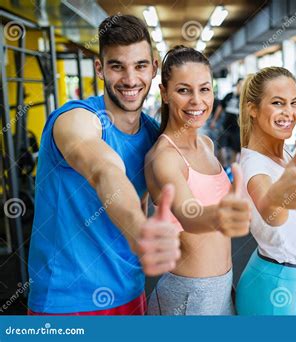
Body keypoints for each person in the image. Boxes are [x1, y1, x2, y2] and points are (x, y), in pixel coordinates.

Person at [27, 15, 181, 315]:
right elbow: (104, 170)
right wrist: (139, 231)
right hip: (66, 302)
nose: (130, 79)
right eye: (116, 66)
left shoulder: (152, 134)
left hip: (131, 293)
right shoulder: (75, 120)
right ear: (100, 69)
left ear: (154, 66)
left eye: (139, 66)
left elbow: (148, 200)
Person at [145, 46, 251, 316]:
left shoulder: (206, 144)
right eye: (183, 90)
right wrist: (221, 214)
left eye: (204, 89)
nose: (197, 100)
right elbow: (189, 215)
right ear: (165, 93)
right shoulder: (165, 157)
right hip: (189, 297)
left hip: (223, 286)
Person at [235, 67, 296, 315]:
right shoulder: (254, 166)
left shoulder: (285, 154)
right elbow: (269, 210)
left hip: (290, 276)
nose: (289, 112)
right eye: (277, 103)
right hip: (270, 289)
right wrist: (280, 198)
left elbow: (294, 230)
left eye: (294, 102)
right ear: (252, 108)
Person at [210, 78, 243, 167]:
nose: (241, 87)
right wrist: (214, 120)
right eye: (240, 85)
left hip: (238, 130)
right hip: (225, 128)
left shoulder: (246, 99)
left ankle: (232, 171)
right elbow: (220, 108)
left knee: (234, 151)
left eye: (243, 85)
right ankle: (224, 168)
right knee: (221, 148)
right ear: (237, 85)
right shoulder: (229, 95)